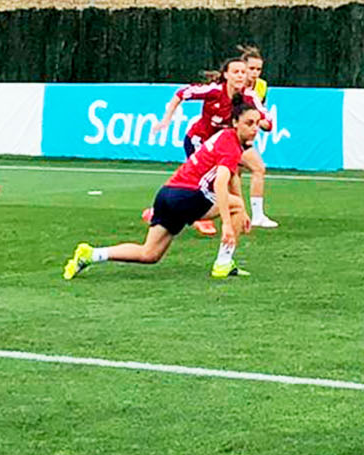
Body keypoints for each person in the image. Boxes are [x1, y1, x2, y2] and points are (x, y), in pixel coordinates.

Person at [68, 106, 262, 280]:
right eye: (249, 123)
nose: (254, 128)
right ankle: (223, 264)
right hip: (189, 195)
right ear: (235, 123)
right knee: (235, 205)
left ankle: (92, 254)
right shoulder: (231, 147)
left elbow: (231, 176)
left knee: (149, 254)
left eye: (257, 123)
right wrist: (228, 224)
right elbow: (221, 181)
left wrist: (237, 206)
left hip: (167, 193)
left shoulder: (224, 136)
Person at [150, 58, 271, 236]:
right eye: (236, 72)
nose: (241, 76)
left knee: (239, 173)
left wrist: (263, 123)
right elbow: (181, 93)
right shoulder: (214, 90)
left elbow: (267, 120)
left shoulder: (249, 96)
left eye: (243, 72)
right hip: (199, 140)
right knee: (205, 181)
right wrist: (166, 119)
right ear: (226, 75)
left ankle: (244, 213)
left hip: (223, 144)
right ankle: (201, 217)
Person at [238, 46, 278, 229]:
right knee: (256, 168)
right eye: (251, 69)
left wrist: (259, 122)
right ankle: (253, 215)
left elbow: (259, 109)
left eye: (258, 69)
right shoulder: (236, 85)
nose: (254, 73)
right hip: (228, 135)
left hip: (243, 137)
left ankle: (249, 215)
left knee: (241, 172)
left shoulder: (261, 86)